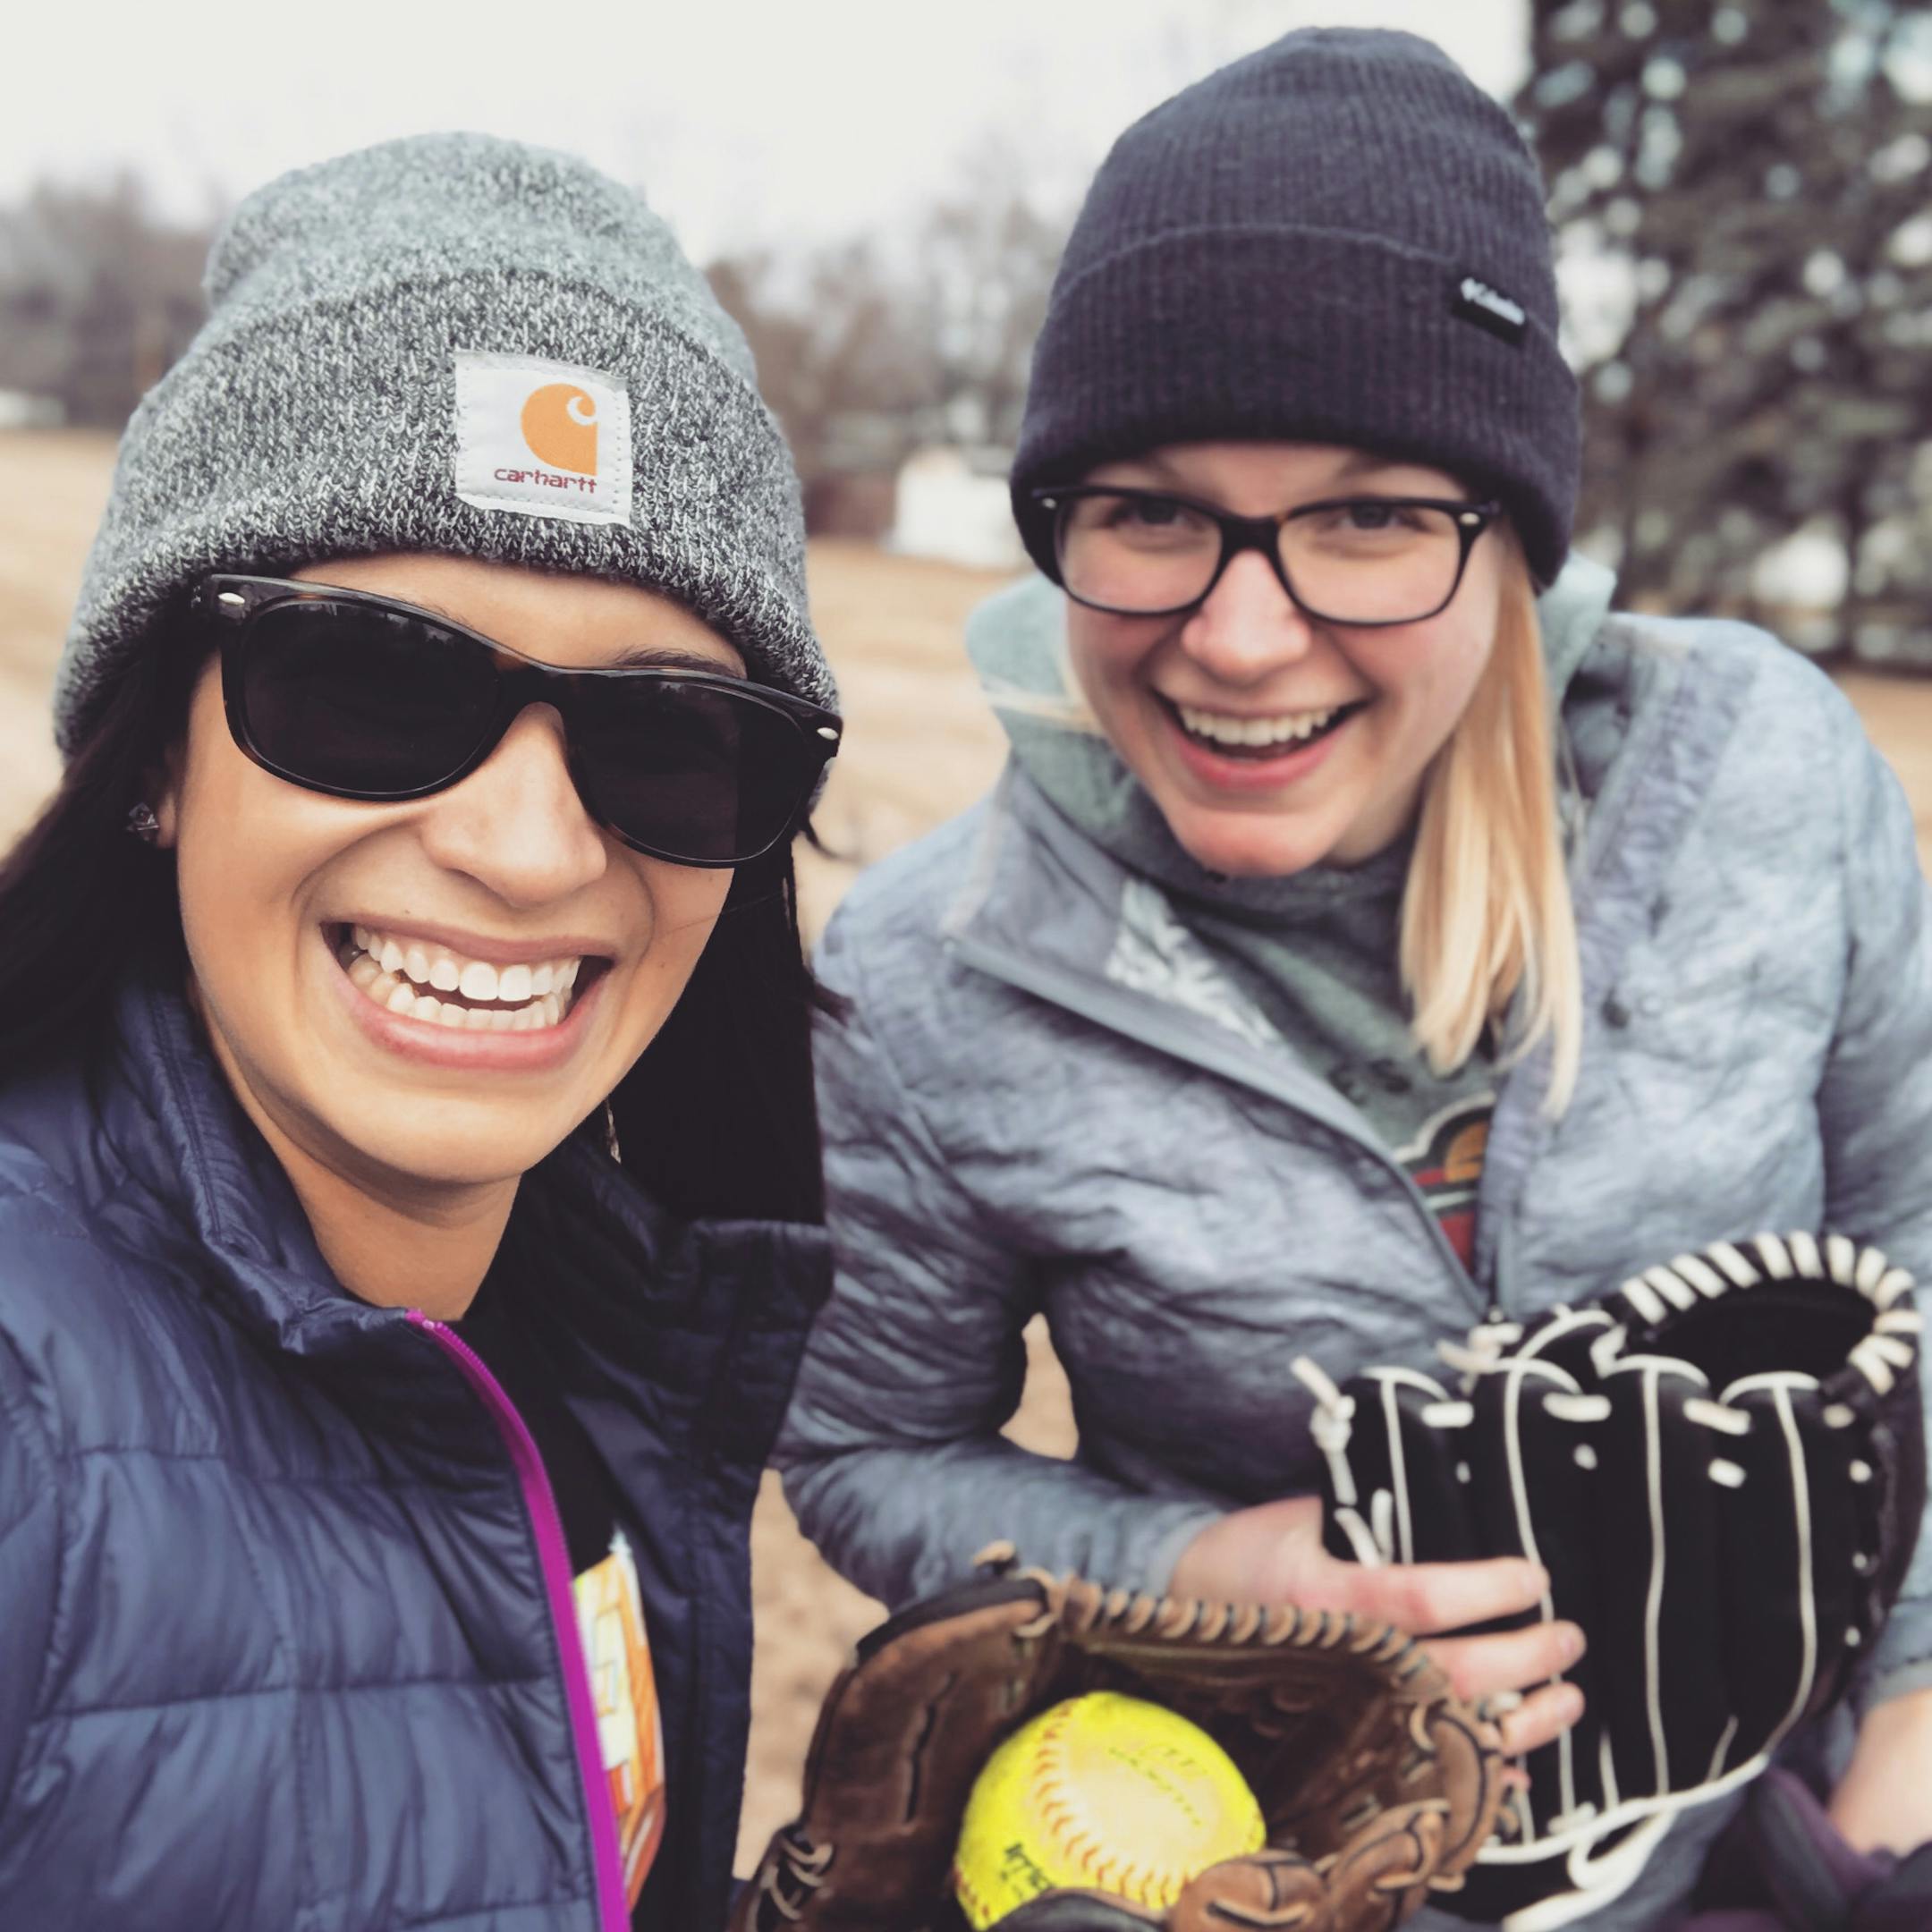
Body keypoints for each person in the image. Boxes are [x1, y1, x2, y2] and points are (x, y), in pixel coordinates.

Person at [775, 29, 1932, 1930]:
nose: (1240, 634)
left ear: (1510, 547)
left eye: (1371, 517)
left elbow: (1916, 1234)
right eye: (1149, 509)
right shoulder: (926, 984)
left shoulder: (1765, 779)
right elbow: (863, 1450)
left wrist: (1909, 1729)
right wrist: (1209, 1570)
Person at [0, 133, 842, 1932]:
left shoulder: (591, 1349)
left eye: (668, 737)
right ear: (157, 752)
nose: (529, 849)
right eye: (375, 685)